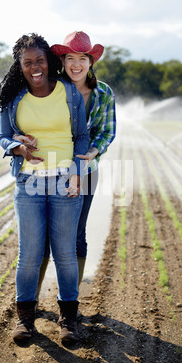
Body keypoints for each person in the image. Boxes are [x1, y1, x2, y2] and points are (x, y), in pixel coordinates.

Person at [0, 33, 89, 343]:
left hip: (64, 181)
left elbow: (82, 136)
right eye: (27, 62)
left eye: (40, 61)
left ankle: (68, 321)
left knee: (65, 255)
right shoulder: (14, 98)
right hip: (28, 183)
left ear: (49, 63)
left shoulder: (69, 93)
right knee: (30, 255)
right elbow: (4, 138)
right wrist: (19, 148)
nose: (35, 67)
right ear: (20, 66)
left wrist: (78, 171)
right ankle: (25, 321)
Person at [14, 31, 116, 307]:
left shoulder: (103, 93)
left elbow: (106, 131)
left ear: (90, 62)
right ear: (62, 60)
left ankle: (70, 301)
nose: (76, 64)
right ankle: (31, 299)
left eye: (82, 58)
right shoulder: (53, 88)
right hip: (52, 169)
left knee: (76, 235)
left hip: (86, 169)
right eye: (69, 58)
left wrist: (89, 154)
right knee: (41, 240)